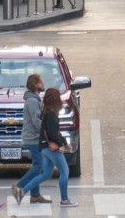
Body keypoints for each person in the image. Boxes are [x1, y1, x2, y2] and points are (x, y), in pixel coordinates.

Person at [36, 87, 78, 207]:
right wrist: (60, 145)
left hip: (44, 147)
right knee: (64, 171)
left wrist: (64, 142)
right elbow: (53, 133)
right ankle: (64, 200)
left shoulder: (46, 112)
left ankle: (25, 188)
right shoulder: (52, 114)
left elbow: (53, 131)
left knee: (46, 173)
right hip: (51, 148)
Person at [13, 74, 49, 205]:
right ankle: (19, 186)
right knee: (40, 166)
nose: (43, 83)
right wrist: (47, 132)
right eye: (41, 82)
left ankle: (35, 195)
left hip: (34, 137)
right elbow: (36, 121)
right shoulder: (33, 101)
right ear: (35, 85)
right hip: (33, 138)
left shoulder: (34, 99)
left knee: (36, 166)